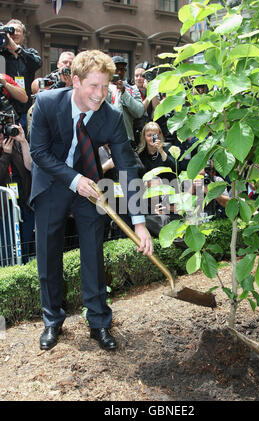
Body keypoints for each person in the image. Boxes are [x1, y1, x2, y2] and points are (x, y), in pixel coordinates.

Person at [30, 49, 153, 352]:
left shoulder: (110, 117)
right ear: (75, 81)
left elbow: (126, 166)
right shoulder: (46, 103)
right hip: (52, 184)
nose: (100, 95)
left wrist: (139, 223)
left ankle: (98, 322)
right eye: (93, 86)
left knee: (94, 254)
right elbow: (39, 153)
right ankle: (52, 321)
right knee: (48, 254)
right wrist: (72, 180)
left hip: (91, 186)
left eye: (104, 86)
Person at [1, 19, 42, 135]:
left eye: (18, 31)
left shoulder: (29, 53)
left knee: (23, 145)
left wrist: (16, 49)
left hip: (24, 110)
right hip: (5, 109)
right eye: (11, 31)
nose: (14, 33)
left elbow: (37, 63)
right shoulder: (2, 54)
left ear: (23, 35)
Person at [0, 123, 33, 265]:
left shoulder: (15, 147)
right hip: (5, 211)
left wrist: (22, 141)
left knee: (24, 247)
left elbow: (30, 166)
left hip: (23, 205)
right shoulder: (6, 152)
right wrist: (5, 155)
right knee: (9, 250)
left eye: (2, 131)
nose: (1, 135)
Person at [107, 56, 144, 149]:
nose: (119, 72)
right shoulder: (102, 86)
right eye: (116, 69)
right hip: (105, 138)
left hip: (125, 139)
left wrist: (124, 92)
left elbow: (139, 112)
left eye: (122, 70)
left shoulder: (132, 89)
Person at [132, 63, 160, 147]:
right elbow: (140, 111)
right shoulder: (130, 91)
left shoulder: (153, 90)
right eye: (136, 76)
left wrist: (151, 90)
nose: (139, 78)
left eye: (142, 76)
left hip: (152, 129)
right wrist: (149, 94)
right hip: (137, 130)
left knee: (154, 150)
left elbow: (157, 110)